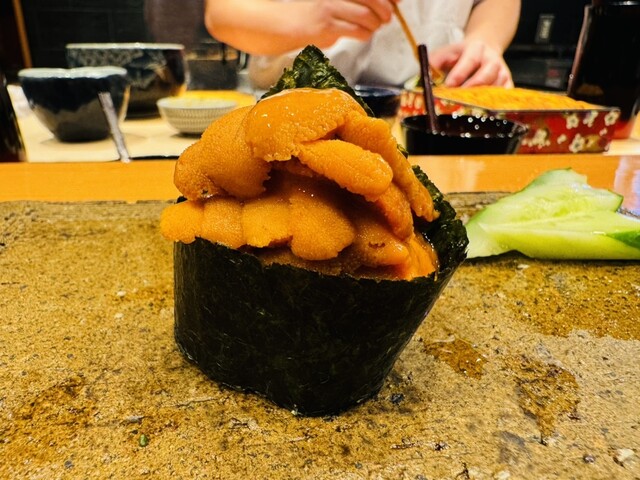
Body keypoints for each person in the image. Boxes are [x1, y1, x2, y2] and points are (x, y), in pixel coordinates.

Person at [203, 0, 521, 90]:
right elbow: (221, 12)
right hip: (288, 100)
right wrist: (299, 19)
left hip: (434, 105)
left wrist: (485, 39)